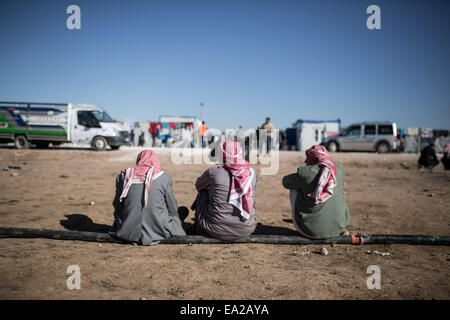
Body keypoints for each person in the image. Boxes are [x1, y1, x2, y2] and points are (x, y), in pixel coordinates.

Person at [110, 150, 187, 245]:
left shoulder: (123, 177)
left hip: (127, 232)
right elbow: (173, 209)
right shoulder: (164, 178)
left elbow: (118, 206)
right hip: (159, 231)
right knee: (181, 212)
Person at [192, 140, 257, 240]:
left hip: (216, 230)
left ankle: (200, 223)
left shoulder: (213, 172)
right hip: (247, 229)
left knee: (203, 190)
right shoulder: (252, 173)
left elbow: (198, 185)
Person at [282, 145, 350, 239]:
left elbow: (285, 182)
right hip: (338, 228)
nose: (305, 162)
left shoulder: (305, 172)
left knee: (294, 187)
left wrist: (303, 178)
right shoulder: (338, 171)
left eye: (308, 159)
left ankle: (304, 223)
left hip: (309, 231)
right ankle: (333, 224)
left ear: (314, 160)